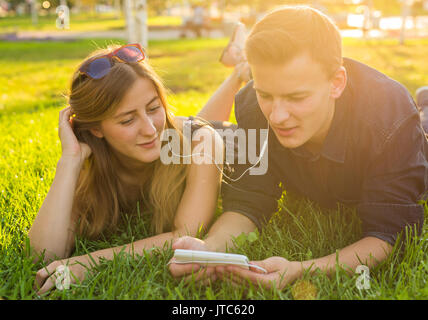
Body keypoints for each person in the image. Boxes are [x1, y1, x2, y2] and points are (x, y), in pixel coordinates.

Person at [169, 6, 428, 289]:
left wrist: (300, 270)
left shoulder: (388, 117)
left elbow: (388, 235)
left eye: (297, 97)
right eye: (266, 94)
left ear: (336, 83)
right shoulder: (252, 106)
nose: (277, 116)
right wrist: (210, 248)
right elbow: (248, 203)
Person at [29, 43, 250, 294]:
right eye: (128, 119)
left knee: (202, 129)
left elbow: (186, 233)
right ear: (95, 129)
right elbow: (42, 256)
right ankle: (237, 70)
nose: (148, 128)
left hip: (222, 143)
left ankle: (240, 70)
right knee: (192, 126)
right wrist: (69, 160)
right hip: (185, 136)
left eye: (154, 108)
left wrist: (90, 262)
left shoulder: (202, 142)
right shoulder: (93, 158)